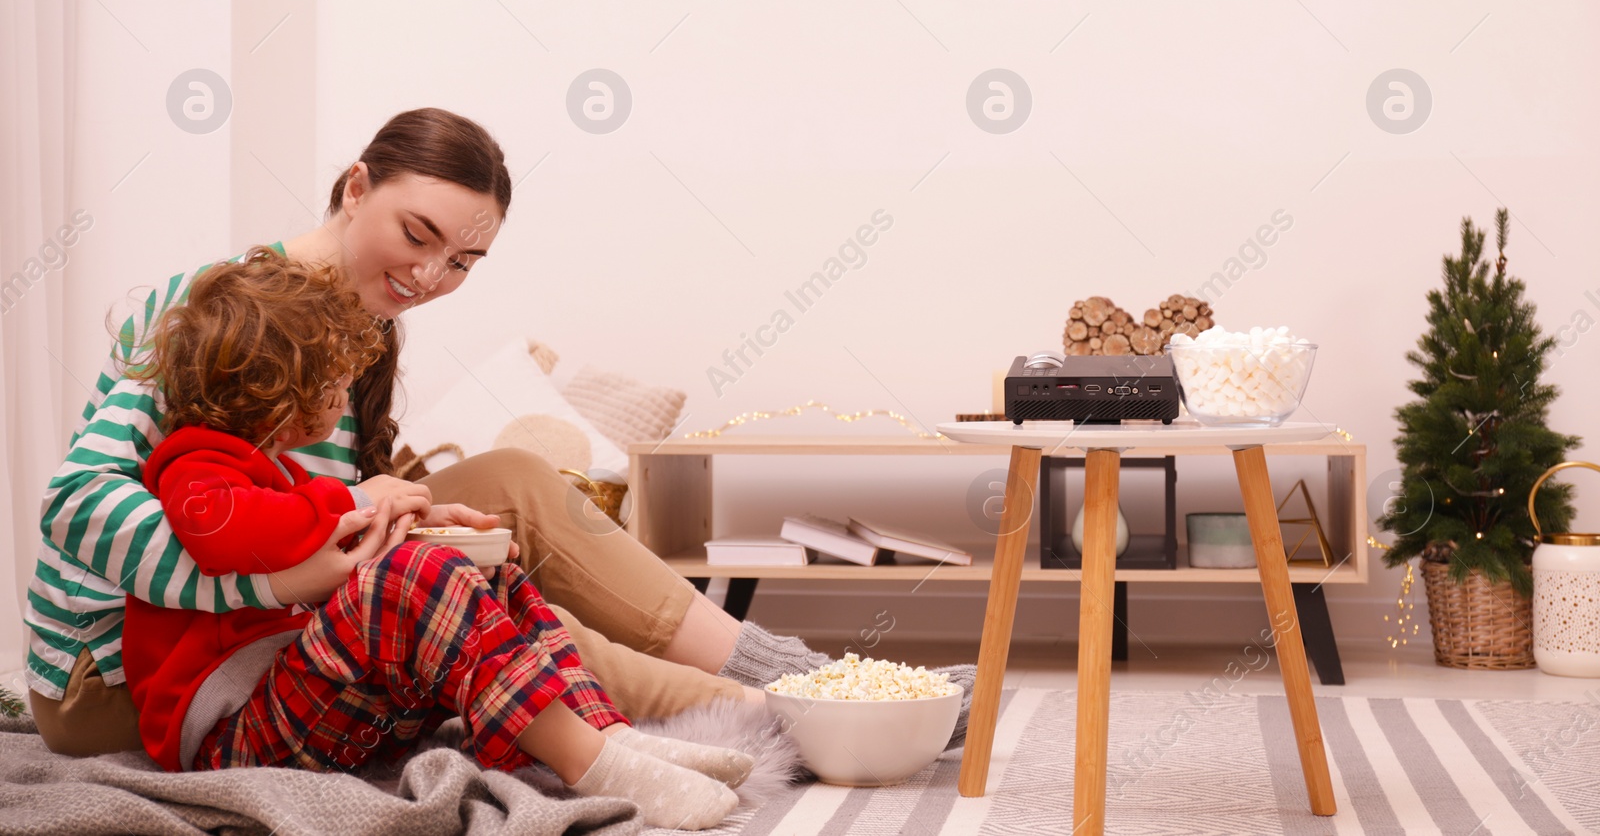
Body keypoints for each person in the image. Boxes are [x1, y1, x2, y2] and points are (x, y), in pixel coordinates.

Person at [24, 107, 974, 756]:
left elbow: (314, 516)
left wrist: (387, 530)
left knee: (513, 482)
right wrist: (288, 572)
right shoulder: (208, 305)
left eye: (463, 261)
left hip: (261, 629)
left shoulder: (366, 332)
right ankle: (808, 712)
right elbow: (76, 505)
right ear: (356, 186)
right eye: (418, 234)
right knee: (506, 615)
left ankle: (804, 675)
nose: (432, 276)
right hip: (127, 680)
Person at [119, 248, 745, 829]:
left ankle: (605, 731)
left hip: (319, 715)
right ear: (278, 388)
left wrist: (419, 524)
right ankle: (591, 763)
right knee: (408, 577)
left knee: (484, 570)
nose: (343, 396)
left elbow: (313, 541)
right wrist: (360, 501)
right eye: (334, 381)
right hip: (239, 739)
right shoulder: (194, 463)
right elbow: (225, 533)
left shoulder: (281, 474)